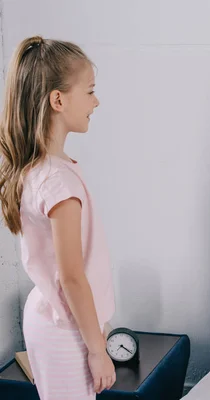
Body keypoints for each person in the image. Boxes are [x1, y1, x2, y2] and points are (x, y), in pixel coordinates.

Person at [0, 36, 115, 399]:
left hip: (50, 316)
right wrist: (97, 349)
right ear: (58, 100)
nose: (96, 101)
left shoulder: (39, 169)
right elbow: (71, 277)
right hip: (64, 329)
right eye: (90, 91)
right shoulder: (58, 182)